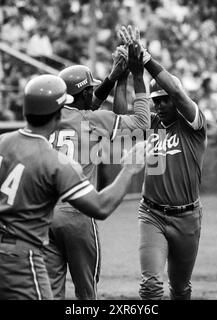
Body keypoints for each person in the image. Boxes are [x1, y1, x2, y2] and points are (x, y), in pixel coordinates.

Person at [0, 74, 147, 300]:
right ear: (58, 114)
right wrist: (129, 169)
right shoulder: (55, 161)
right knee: (83, 292)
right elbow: (101, 207)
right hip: (19, 256)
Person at [44, 41, 150, 300]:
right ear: (81, 95)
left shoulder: (47, 121)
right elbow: (142, 123)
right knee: (86, 292)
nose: (92, 94)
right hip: (78, 213)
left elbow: (86, 102)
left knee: (50, 291)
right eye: (88, 90)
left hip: (44, 216)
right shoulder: (91, 120)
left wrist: (115, 78)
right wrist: (136, 76)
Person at [119, 25, 207, 300]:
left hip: (187, 217)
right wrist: (126, 74)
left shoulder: (193, 124)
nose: (159, 105)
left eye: (164, 100)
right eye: (155, 101)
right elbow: (121, 114)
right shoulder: (152, 124)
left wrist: (145, 59)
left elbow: (179, 93)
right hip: (152, 214)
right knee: (151, 287)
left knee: (180, 288)